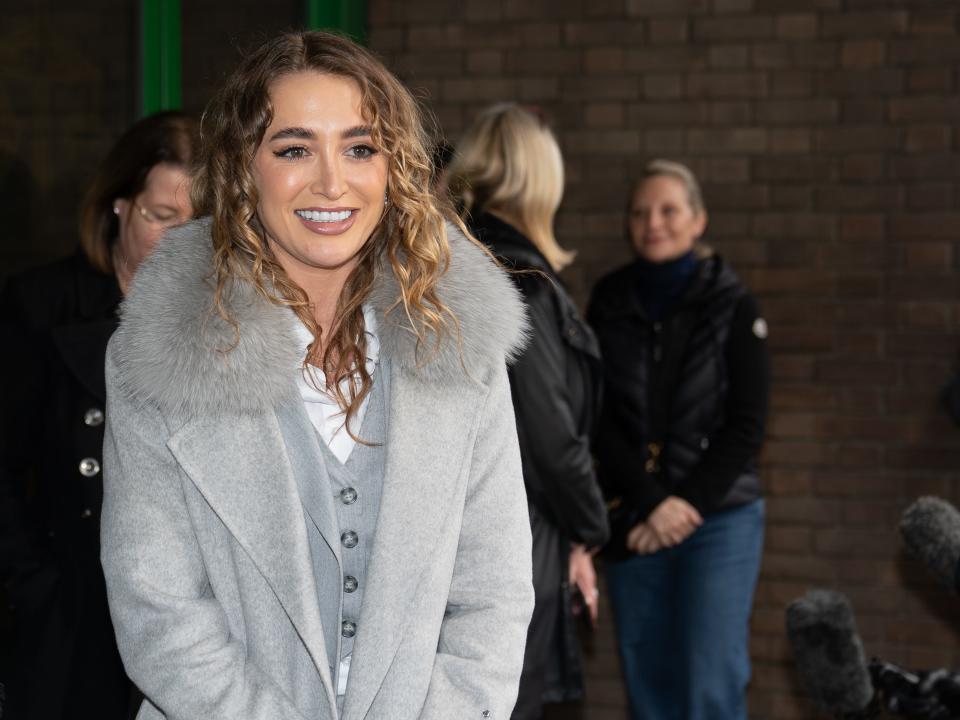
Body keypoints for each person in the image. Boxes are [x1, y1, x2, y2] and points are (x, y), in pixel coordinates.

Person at [99, 31, 534, 720]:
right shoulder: (157, 356)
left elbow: (493, 593)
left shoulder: (457, 342)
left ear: (393, 168)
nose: (332, 181)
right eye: (294, 148)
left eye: (360, 147)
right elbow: (159, 611)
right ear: (245, 168)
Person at [0, 111, 197, 720]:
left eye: (197, 223)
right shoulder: (40, 306)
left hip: (189, 622)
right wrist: (34, 589)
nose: (179, 239)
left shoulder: (224, 314)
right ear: (118, 204)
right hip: (73, 614)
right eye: (162, 217)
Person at [587, 159, 769, 720]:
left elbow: (747, 425)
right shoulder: (608, 301)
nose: (653, 223)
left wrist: (683, 505)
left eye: (668, 210)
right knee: (651, 688)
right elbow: (597, 418)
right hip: (635, 520)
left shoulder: (733, 304)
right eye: (640, 212)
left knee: (711, 684)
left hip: (718, 520)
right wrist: (650, 502)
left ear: (698, 221)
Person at [446, 103, 609, 719]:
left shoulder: (445, 264)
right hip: (516, 551)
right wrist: (591, 530)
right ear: (541, 181)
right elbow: (550, 442)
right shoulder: (520, 282)